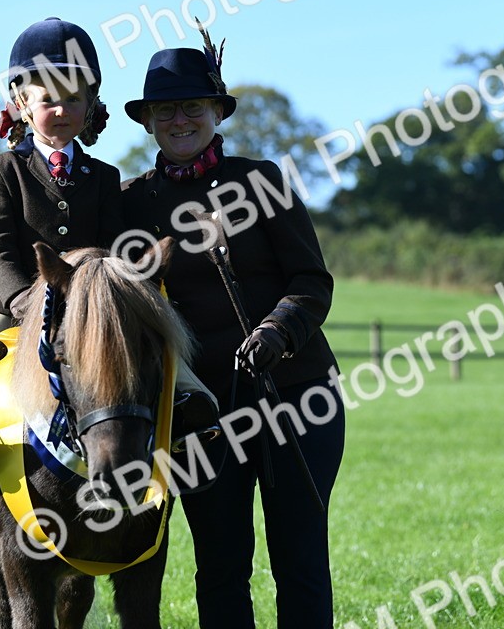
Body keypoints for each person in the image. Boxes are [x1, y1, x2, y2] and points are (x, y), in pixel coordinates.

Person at [121, 38, 346, 628]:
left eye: (194, 105)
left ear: (218, 112)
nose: (180, 119)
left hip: (296, 397)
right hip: (201, 412)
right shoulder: (132, 204)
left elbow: (311, 281)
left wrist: (278, 330)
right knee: (220, 567)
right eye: (166, 109)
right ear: (146, 120)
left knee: (300, 559)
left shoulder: (263, 181)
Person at [0, 16, 218, 478]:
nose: (62, 111)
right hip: (16, 294)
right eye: (49, 101)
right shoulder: (2, 170)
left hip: (92, 297)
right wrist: (23, 298)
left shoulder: (104, 176)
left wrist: (111, 293)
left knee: (152, 324)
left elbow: (111, 243)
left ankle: (187, 399)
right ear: (23, 104)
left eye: (73, 100)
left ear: (90, 105)